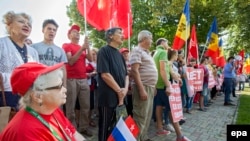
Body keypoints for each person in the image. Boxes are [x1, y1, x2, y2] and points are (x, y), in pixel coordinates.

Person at [0, 62, 86, 141]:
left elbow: (73, 134)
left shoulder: (52, 110)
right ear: (38, 96)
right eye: (59, 86)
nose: (65, 89)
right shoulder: (25, 132)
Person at [0, 11, 39, 110]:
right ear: (9, 25)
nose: (26, 25)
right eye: (21, 21)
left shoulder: (33, 52)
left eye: (29, 24)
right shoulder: (2, 44)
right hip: (5, 97)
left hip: (28, 98)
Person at [97, 27, 129, 141]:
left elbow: (126, 75)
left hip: (122, 97)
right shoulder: (103, 51)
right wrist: (119, 91)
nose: (122, 35)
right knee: (105, 128)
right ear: (110, 36)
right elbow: (105, 75)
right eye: (119, 33)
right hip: (108, 98)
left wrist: (124, 90)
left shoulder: (120, 55)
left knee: (119, 127)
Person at [62, 24, 93, 137]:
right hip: (71, 79)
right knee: (71, 106)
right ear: (69, 35)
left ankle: (84, 127)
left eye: (78, 32)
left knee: (86, 106)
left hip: (83, 79)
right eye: (74, 32)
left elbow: (90, 59)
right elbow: (70, 61)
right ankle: (72, 130)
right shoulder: (67, 45)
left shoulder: (82, 47)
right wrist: (82, 48)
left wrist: (87, 46)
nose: (77, 33)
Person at [129, 30, 158, 141]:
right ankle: (136, 139)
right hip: (143, 86)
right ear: (144, 39)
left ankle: (143, 137)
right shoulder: (137, 50)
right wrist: (141, 90)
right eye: (150, 38)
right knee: (140, 115)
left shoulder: (147, 53)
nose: (152, 41)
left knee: (147, 115)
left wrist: (153, 86)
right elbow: (135, 71)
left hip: (149, 87)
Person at [31, 19, 68, 86]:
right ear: (43, 30)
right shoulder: (33, 47)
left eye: (54, 30)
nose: (52, 31)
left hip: (54, 83)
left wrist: (64, 85)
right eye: (49, 29)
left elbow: (63, 68)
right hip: (38, 83)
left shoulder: (60, 50)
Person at [153, 38, 173, 135]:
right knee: (170, 108)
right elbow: (162, 70)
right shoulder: (163, 52)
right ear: (162, 43)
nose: (168, 45)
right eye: (167, 43)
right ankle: (177, 130)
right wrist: (168, 85)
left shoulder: (156, 52)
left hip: (157, 84)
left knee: (158, 106)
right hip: (163, 84)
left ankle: (160, 128)